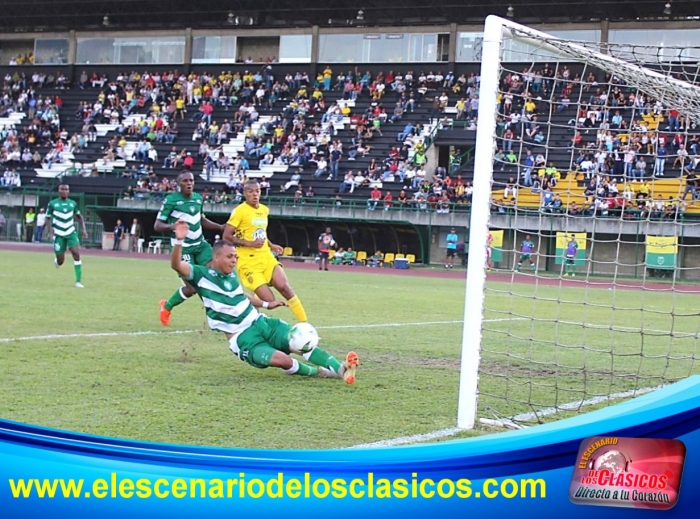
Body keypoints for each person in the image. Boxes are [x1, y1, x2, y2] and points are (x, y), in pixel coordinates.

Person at [170, 221, 359, 383]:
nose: (234, 260)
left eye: (235, 256)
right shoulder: (202, 276)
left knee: (300, 340)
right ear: (216, 257)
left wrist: (267, 304)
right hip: (243, 338)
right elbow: (176, 265)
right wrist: (179, 240)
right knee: (283, 360)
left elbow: (241, 298)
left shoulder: (232, 276)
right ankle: (319, 373)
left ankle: (341, 369)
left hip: (261, 323)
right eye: (230, 256)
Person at [222, 180, 308, 322]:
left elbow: (260, 233)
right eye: (251, 191)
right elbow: (227, 236)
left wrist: (271, 245)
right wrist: (250, 243)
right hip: (248, 261)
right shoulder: (239, 211)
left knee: (285, 287)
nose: (255, 194)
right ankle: (243, 312)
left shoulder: (264, 210)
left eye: (257, 191)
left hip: (266, 257)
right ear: (245, 193)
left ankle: (305, 324)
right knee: (269, 300)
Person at [157, 171, 224, 326]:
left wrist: (220, 227)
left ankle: (216, 314)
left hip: (200, 245)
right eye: (185, 181)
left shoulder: (198, 198)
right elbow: (157, 225)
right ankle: (166, 306)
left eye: (191, 181)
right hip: (183, 249)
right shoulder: (171, 200)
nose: (189, 183)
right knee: (192, 287)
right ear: (178, 183)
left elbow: (201, 220)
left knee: (215, 274)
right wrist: (173, 226)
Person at [45, 184, 88, 288]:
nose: (64, 191)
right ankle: (57, 261)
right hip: (59, 234)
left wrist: (84, 229)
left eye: (66, 189)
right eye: (62, 189)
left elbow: (79, 216)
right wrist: (50, 231)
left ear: (68, 191)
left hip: (70, 232)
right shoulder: (52, 204)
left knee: (76, 253)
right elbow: (47, 218)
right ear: (58, 191)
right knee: (61, 261)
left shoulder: (73, 204)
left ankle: (78, 281)